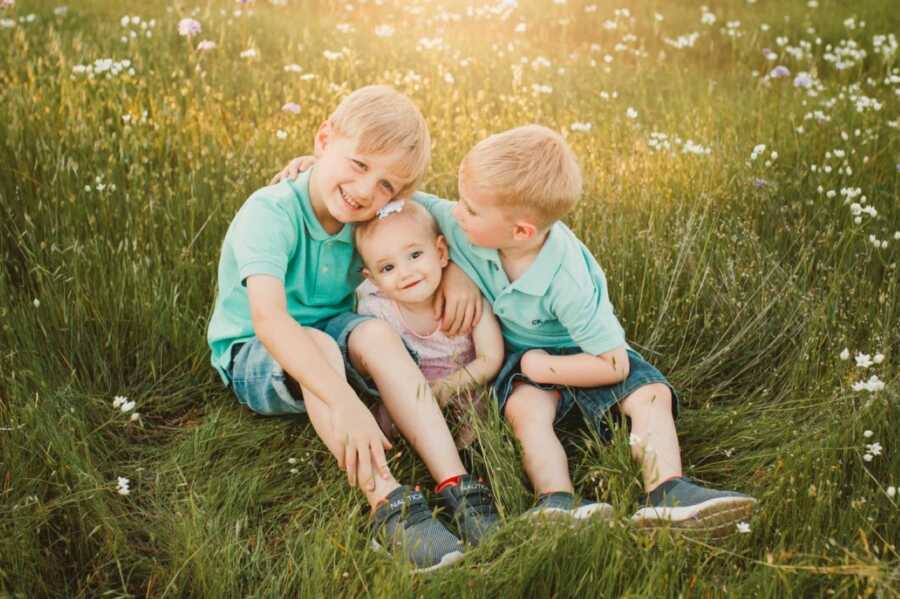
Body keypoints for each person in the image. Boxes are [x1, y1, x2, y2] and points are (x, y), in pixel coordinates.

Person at [207, 85, 499, 572]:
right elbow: (270, 320)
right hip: (254, 351)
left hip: (331, 329)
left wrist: (459, 270)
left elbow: (454, 222)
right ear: (324, 139)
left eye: (388, 187)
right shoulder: (271, 211)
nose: (367, 192)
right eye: (359, 165)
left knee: (375, 335)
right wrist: (345, 402)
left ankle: (456, 483)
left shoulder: (367, 208)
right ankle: (387, 503)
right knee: (317, 343)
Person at [353, 200, 505, 448]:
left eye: (415, 255)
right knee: (384, 415)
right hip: (408, 389)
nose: (405, 272)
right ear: (375, 280)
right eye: (388, 267)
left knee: (476, 413)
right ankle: (397, 451)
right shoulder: (377, 309)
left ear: (441, 252)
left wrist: (449, 386)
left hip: (463, 383)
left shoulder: (467, 302)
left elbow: (491, 358)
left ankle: (468, 455)